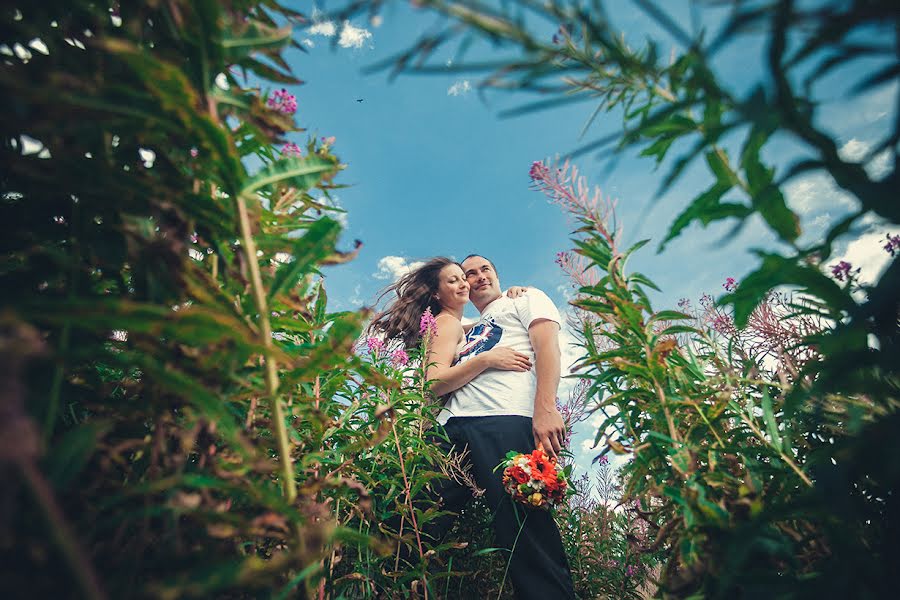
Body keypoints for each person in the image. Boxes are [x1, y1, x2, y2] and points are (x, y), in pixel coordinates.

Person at [368, 255, 576, 599]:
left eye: (485, 270)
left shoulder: (525, 299)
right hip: (451, 428)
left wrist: (546, 408)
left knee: (525, 530)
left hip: (505, 419)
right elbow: (434, 370)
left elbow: (546, 347)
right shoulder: (467, 325)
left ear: (496, 274)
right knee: (412, 520)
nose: (476, 278)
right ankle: (378, 588)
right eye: (468, 274)